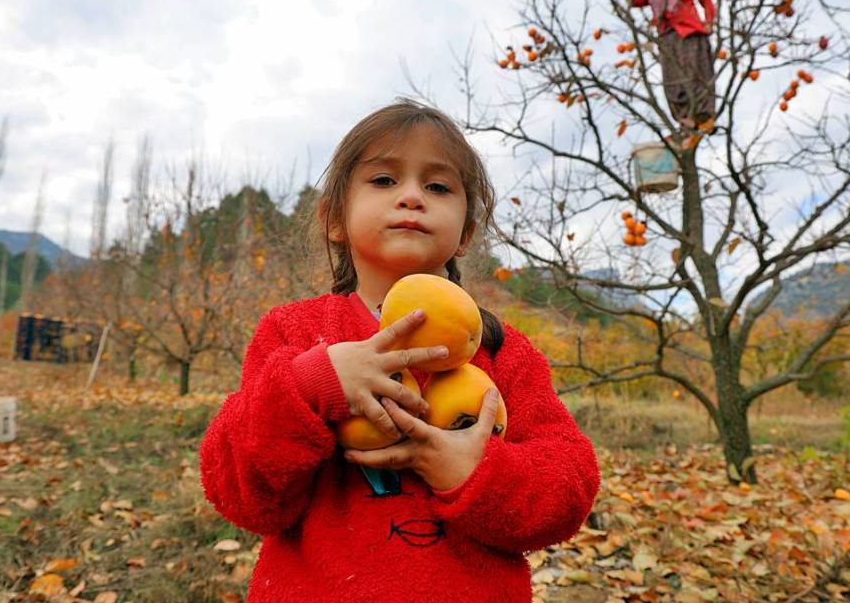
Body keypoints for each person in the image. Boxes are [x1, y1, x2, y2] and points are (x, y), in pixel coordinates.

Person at [200, 100, 601, 602]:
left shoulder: (502, 351)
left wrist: (478, 473)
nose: (412, 196)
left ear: (465, 235)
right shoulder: (295, 333)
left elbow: (569, 485)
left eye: (437, 186)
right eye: (384, 180)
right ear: (333, 219)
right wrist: (310, 386)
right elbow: (242, 496)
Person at [619, 0, 718, 132]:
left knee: (696, 74)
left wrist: (709, 22)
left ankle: (704, 117)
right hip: (667, 37)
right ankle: (686, 119)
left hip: (689, 33)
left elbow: (706, 0)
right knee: (672, 81)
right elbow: (632, 1)